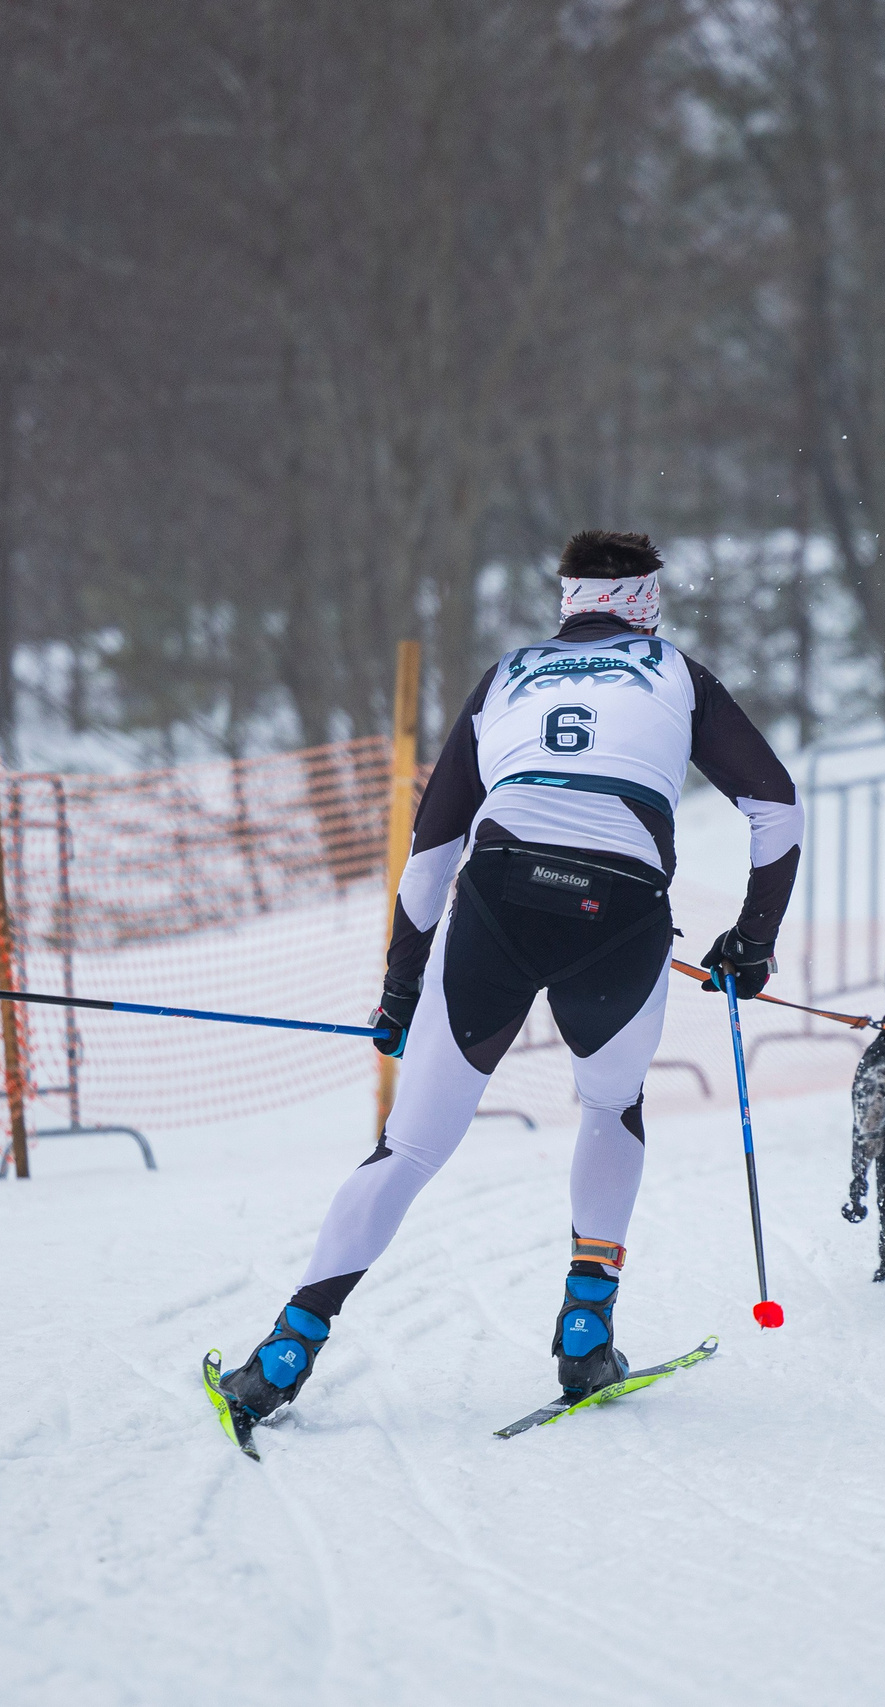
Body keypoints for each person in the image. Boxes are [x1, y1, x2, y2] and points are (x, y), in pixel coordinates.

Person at [215, 531, 802, 1436]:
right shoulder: (678, 672)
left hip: (495, 901)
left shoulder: (507, 675)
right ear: (646, 598)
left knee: (407, 1149)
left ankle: (283, 1353)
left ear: (568, 598)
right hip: (623, 911)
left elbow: (429, 853)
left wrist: (399, 990)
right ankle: (583, 1331)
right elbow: (776, 806)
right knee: (610, 1108)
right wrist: (752, 941)